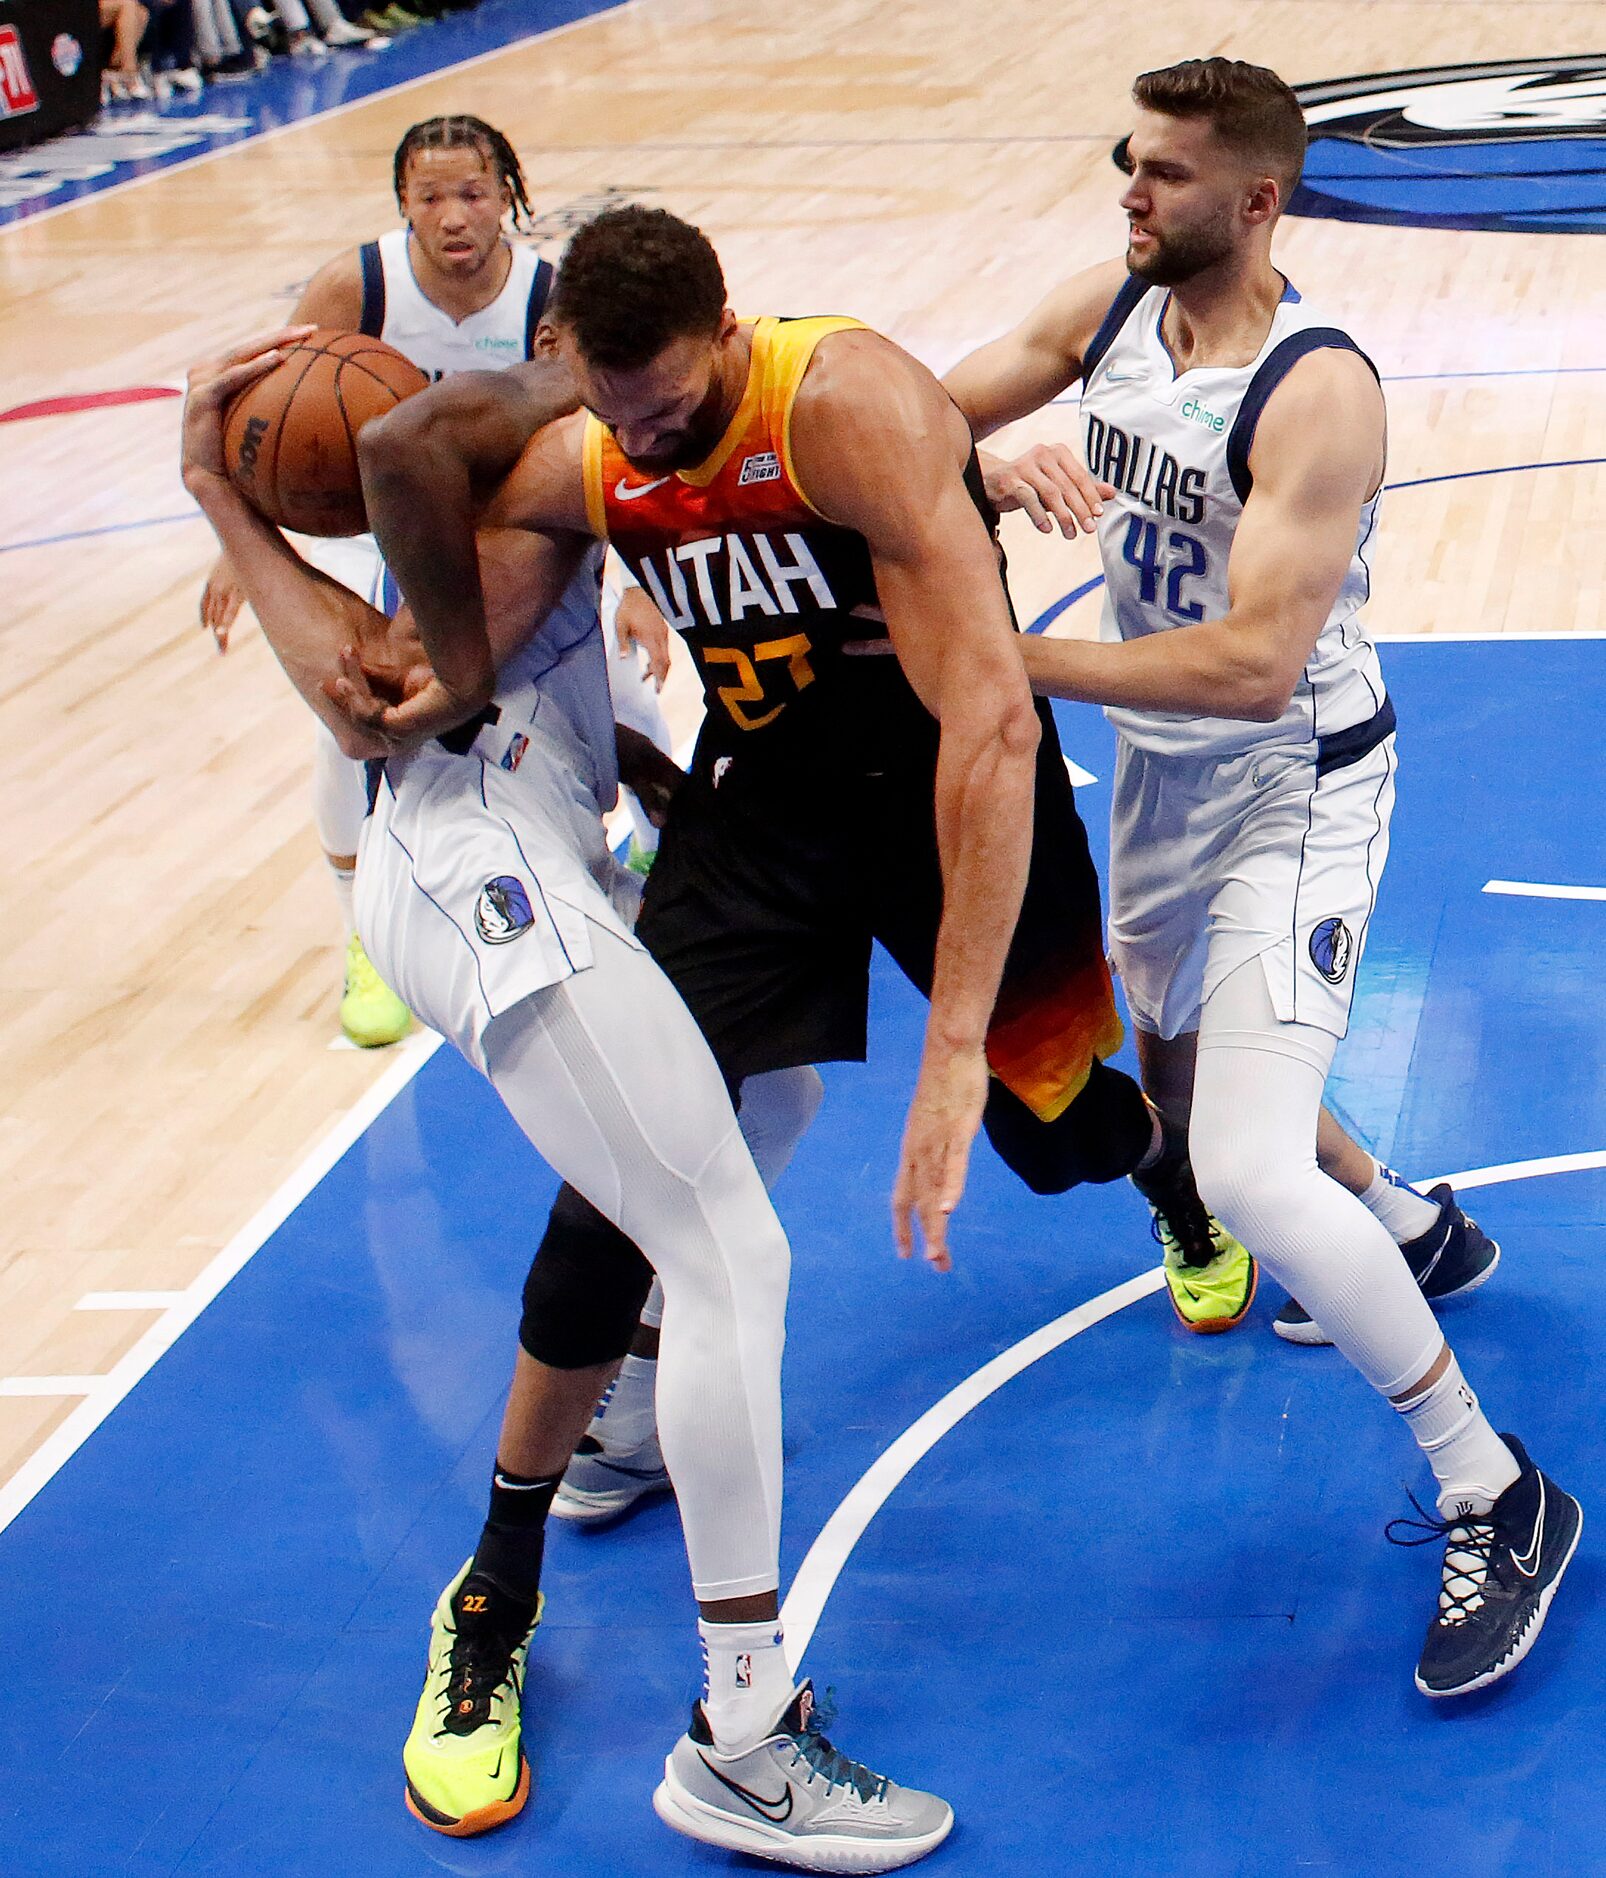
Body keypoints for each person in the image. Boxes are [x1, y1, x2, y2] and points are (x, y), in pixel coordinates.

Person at [181, 326, 952, 1871]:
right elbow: (368, 690)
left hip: (551, 853)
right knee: (733, 1248)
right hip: (484, 883)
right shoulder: (471, 474)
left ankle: (611, 1435)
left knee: (767, 1093)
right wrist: (219, 486)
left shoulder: (577, 459)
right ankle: (742, 1738)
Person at [941, 55, 1579, 1698]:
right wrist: (978, 470)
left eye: (1160, 174)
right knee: (1178, 1069)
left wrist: (1016, 659)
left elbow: (1243, 665)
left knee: (1234, 1164)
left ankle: (1492, 1487)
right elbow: (918, 410)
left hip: (1295, 781)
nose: (1130, 194)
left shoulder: (1318, 389)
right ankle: (1407, 1222)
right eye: (1125, 163)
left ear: (1257, 199)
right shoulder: (1107, 312)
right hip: (1157, 787)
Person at [200, 116, 650, 1045]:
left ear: (509, 197)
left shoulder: (548, 296)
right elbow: (270, 428)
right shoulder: (355, 286)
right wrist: (241, 542)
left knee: (627, 699)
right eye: (430, 195)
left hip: (512, 520)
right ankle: (361, 928)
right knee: (349, 713)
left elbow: (608, 431)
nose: (453, 215)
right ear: (401, 201)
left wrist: (639, 583)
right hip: (380, 527)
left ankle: (651, 839)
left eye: (473, 193)